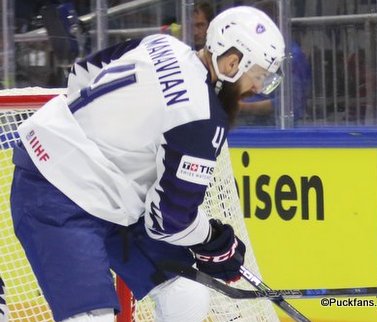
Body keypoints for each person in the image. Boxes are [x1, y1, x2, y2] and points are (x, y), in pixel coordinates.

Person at [10, 5, 285, 322]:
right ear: (233, 63)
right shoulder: (202, 117)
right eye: (259, 77)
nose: (257, 89)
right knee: (93, 318)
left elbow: (83, 72)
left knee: (185, 291)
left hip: (106, 196)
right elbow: (169, 222)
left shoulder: (161, 44)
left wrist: (100, 139)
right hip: (54, 193)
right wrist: (212, 240)